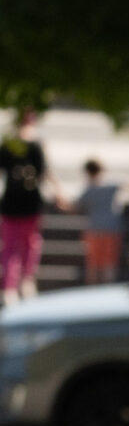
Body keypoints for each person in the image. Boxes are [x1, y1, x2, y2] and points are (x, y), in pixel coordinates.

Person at [0, 111, 51, 302]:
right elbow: (45, 173)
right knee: (29, 244)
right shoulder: (36, 144)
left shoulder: (10, 144)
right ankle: (24, 282)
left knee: (12, 247)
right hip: (27, 202)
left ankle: (11, 287)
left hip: (14, 202)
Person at [75, 161, 123, 283]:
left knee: (93, 266)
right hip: (112, 229)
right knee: (109, 265)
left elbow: (75, 206)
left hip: (94, 229)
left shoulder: (89, 190)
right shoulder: (111, 186)